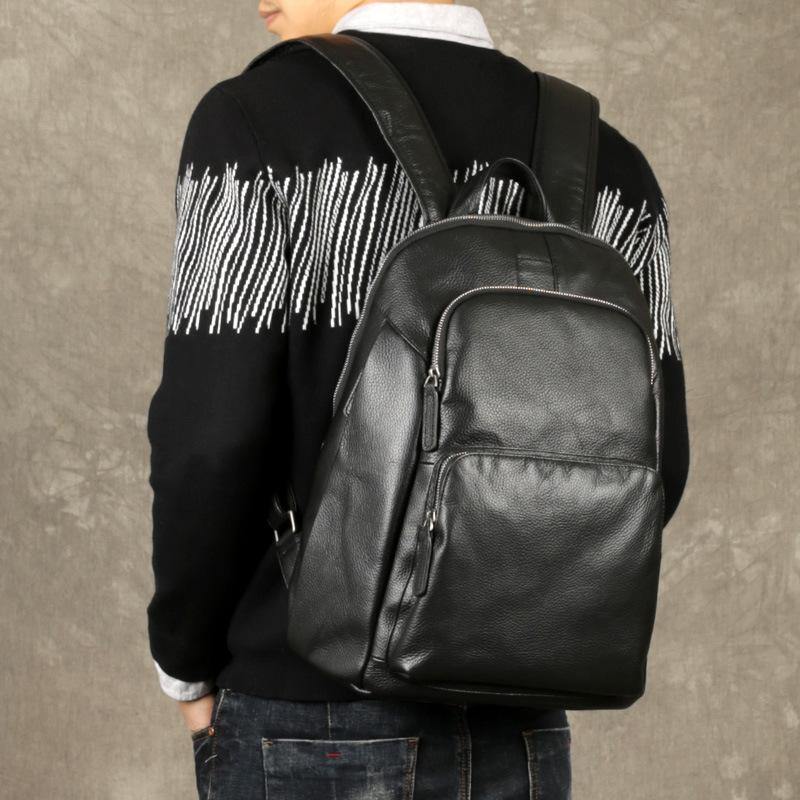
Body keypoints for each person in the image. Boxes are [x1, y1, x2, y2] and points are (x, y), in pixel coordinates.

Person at [146, 1, 690, 798]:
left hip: (309, 715)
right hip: (522, 726)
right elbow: (656, 463)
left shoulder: (254, 123)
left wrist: (185, 662)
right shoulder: (614, 164)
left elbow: (210, 441)